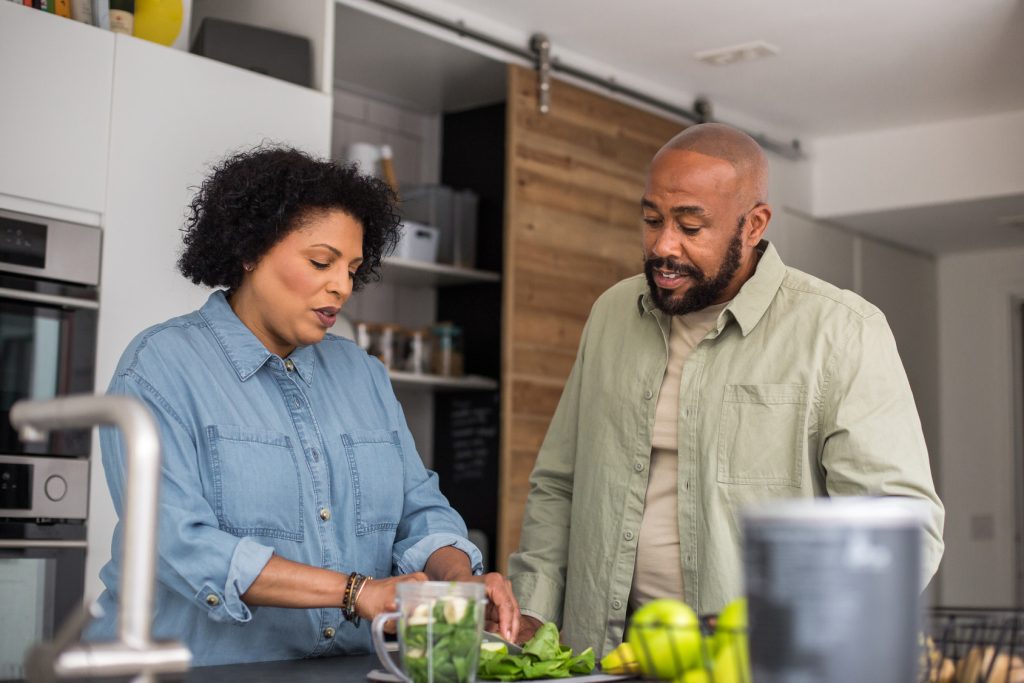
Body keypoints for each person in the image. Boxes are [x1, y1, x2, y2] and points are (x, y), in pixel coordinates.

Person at [507, 123, 944, 656]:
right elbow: (560, 484)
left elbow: (900, 526)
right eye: (651, 220)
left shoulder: (840, 331)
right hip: (603, 657)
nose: (664, 245)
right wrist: (532, 607)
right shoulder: (611, 315)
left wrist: (809, 635)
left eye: (691, 226)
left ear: (754, 224)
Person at [86, 147, 519, 665]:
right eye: (320, 261)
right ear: (250, 250)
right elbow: (179, 544)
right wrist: (355, 591)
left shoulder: (364, 375)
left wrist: (462, 584)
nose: (342, 286)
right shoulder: (159, 367)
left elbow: (419, 512)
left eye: (354, 269)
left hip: (348, 670)